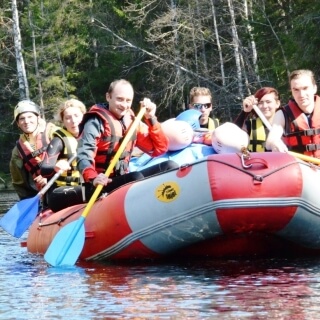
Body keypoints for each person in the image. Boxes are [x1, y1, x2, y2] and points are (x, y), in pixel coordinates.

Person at [77, 79, 174, 199]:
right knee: (136, 178)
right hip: (99, 183)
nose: (124, 105)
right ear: (108, 97)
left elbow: (159, 149)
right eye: (119, 99)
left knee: (170, 166)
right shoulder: (95, 122)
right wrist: (93, 177)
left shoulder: (132, 122)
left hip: (122, 179)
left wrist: (151, 118)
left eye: (128, 100)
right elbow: (83, 156)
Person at [40, 98, 86, 212]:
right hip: (59, 193)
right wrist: (55, 165)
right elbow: (44, 168)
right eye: (68, 118)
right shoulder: (58, 140)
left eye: (76, 115)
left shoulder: (92, 137)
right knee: (93, 191)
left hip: (86, 186)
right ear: (63, 121)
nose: (73, 121)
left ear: (83, 116)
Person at [10, 100, 58, 200]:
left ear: (38, 118)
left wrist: (50, 177)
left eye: (30, 117)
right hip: (47, 195)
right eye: (22, 119)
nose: (26, 121)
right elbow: (20, 184)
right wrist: (28, 201)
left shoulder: (54, 133)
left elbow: (72, 158)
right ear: (18, 123)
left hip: (66, 183)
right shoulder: (17, 151)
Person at [266, 69, 320, 157]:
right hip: (301, 166)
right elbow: (271, 140)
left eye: (305, 88)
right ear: (291, 91)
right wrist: (274, 142)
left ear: (314, 88)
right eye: (296, 90)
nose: (301, 94)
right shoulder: (282, 114)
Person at [234, 87, 281, 152]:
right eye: (260, 103)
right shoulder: (249, 126)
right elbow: (233, 134)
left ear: (277, 103)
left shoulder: (286, 124)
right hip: (257, 161)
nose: (264, 106)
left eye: (268, 102)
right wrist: (245, 112)